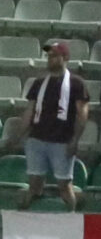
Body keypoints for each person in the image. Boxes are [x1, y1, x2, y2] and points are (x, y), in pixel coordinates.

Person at [19, 43, 85, 207]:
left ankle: (72, 218)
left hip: (62, 140)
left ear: (66, 58)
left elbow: (82, 113)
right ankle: (25, 218)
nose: (51, 59)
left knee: (64, 186)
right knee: (33, 184)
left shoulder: (76, 83)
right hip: (37, 138)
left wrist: (75, 139)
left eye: (55, 56)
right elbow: (30, 110)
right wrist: (20, 134)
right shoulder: (39, 82)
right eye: (49, 56)